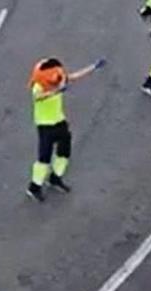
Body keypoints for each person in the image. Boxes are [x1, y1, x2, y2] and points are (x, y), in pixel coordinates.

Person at [26, 57, 105, 202]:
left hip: (60, 122)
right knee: (44, 159)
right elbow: (39, 97)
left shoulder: (58, 79)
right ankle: (34, 187)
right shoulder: (38, 85)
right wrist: (56, 91)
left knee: (64, 153)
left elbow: (74, 76)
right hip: (45, 126)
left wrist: (93, 67)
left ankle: (55, 178)